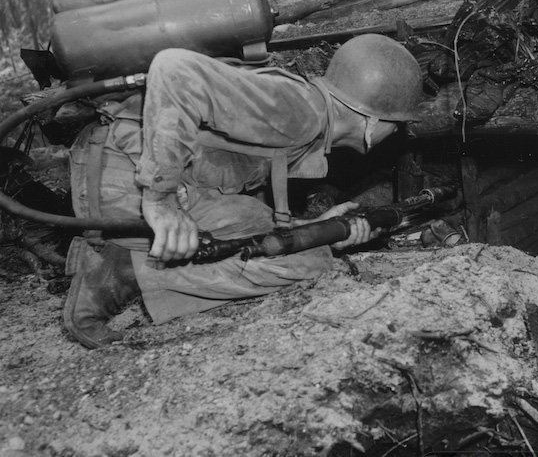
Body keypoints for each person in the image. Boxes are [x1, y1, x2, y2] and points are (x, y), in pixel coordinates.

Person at [62, 33, 425, 349]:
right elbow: (174, 68)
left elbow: (248, 211)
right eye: (398, 126)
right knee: (311, 263)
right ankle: (134, 271)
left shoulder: (308, 114)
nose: (397, 134)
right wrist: (161, 201)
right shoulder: (301, 110)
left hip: (113, 177)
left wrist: (321, 230)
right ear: (373, 122)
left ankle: (118, 257)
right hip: (123, 184)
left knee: (275, 230)